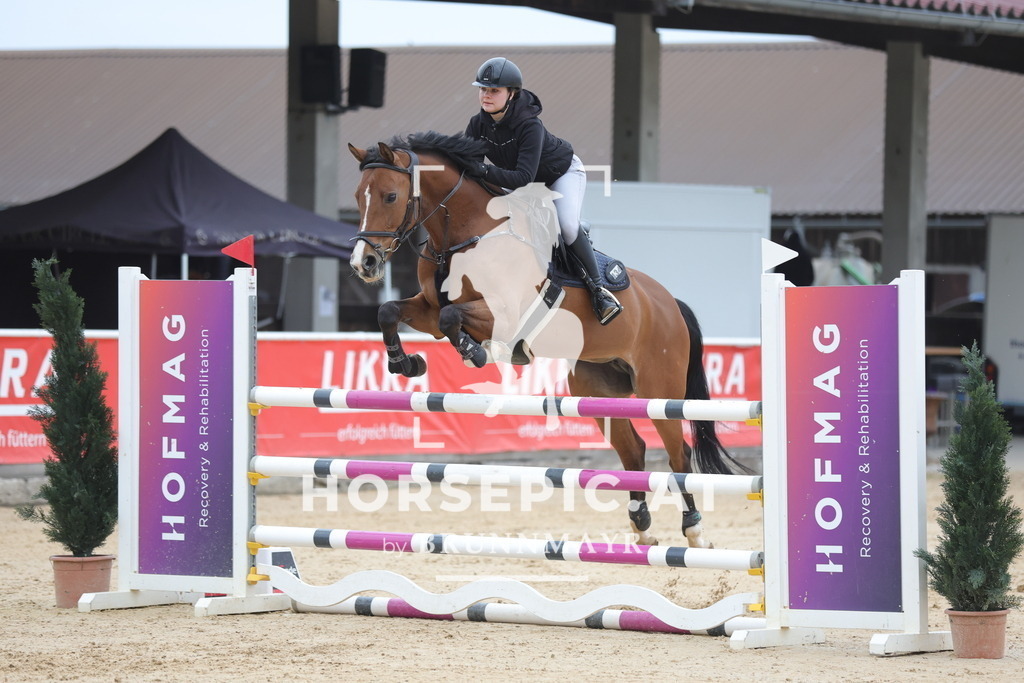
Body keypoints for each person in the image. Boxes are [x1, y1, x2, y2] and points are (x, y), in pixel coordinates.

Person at [464, 57, 622, 325]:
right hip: (523, 183)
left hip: (560, 175)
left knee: (567, 226)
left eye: (494, 90)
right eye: (483, 89)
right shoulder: (477, 124)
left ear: (512, 94)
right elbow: (471, 170)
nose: (486, 95)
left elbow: (522, 177)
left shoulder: (529, 125)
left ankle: (599, 291)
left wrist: (484, 171)